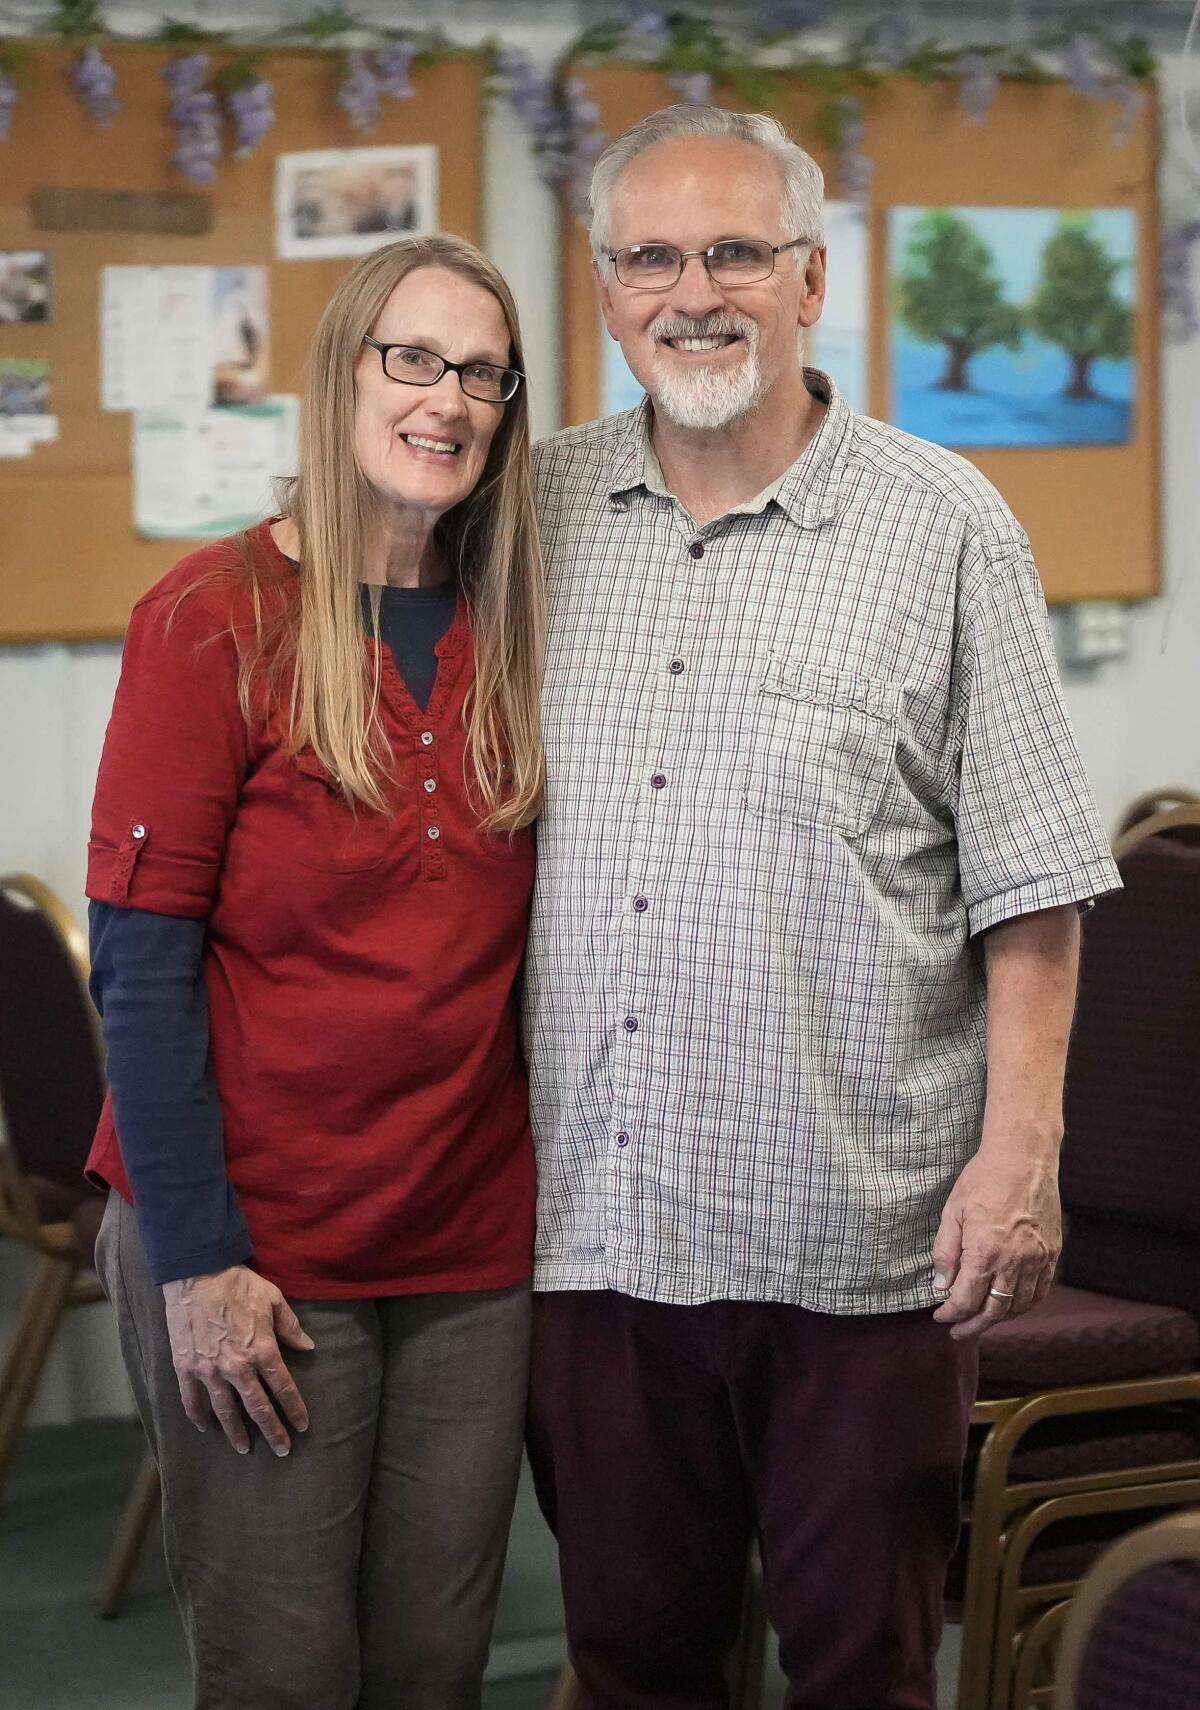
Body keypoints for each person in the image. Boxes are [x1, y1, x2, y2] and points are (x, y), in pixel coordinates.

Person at [524, 105, 1121, 1710]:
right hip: (596, 1224)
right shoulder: (533, 516)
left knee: (860, 1666)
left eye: (734, 250)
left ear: (809, 277)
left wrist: (1022, 1154)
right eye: (651, 255)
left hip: (857, 1242)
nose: (691, 289)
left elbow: (1036, 879)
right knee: (630, 1663)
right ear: (604, 287)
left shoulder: (944, 525)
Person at [87, 233, 544, 1710]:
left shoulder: (521, 622)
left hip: (469, 1243)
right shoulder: (211, 617)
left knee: (431, 1665)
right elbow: (141, 974)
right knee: (286, 1671)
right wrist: (201, 1257)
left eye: (482, 370)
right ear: (343, 373)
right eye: (411, 357)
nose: (448, 398)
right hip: (257, 1245)